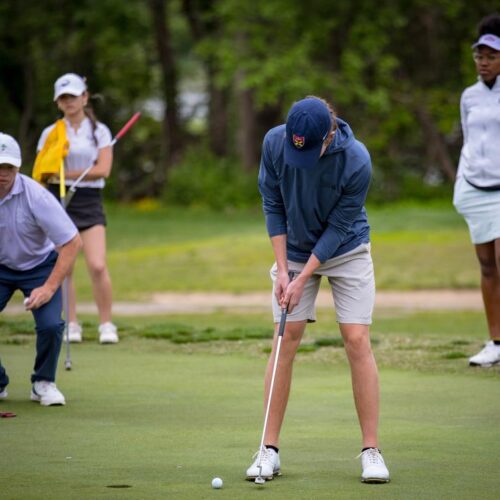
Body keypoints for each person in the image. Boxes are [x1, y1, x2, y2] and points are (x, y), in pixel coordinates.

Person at [246, 97, 390, 483]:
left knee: (356, 338)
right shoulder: (275, 143)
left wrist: (303, 273)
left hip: (347, 248)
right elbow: (272, 202)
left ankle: (371, 451)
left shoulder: (356, 159)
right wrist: (283, 272)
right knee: (286, 337)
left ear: (329, 134)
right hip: (292, 248)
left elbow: (339, 227)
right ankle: (268, 449)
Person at [36, 73, 118, 344]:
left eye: (73, 96)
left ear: (84, 97)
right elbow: (43, 172)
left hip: (89, 200)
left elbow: (103, 169)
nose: (69, 102)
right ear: (58, 102)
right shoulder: (51, 134)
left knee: (97, 264)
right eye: (63, 98)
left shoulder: (100, 131)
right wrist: (60, 173)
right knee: (65, 266)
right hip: (58, 201)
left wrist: (68, 173)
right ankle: (71, 322)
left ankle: (106, 323)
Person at [0, 133, 81, 406]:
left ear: (18, 167)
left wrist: (48, 287)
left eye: (7, 168)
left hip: (39, 265)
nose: (2, 174)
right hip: (1, 266)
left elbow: (72, 242)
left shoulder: (36, 196)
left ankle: (43, 382)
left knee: (50, 325)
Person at [453, 14, 500, 367]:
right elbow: (470, 142)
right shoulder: (468, 96)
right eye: (479, 56)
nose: (483, 63)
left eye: (491, 56)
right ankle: (495, 342)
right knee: (487, 267)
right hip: (475, 189)